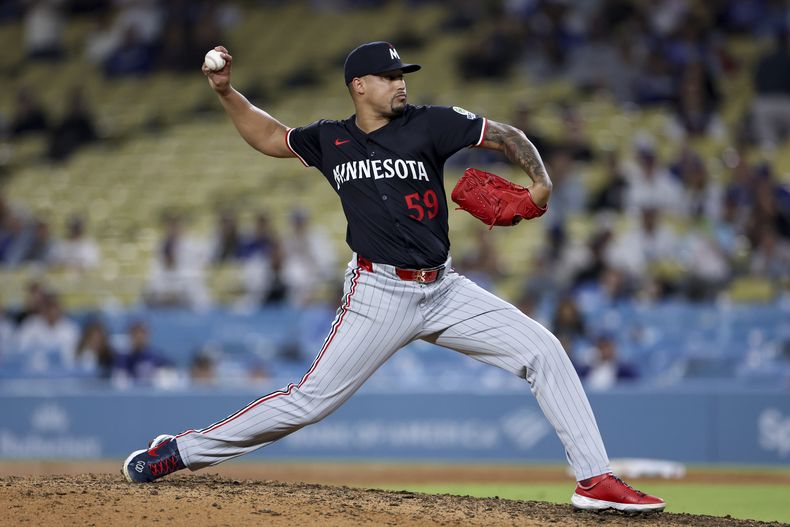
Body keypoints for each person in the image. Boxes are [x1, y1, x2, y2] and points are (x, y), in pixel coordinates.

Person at [122, 41, 664, 512]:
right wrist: (225, 92)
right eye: (389, 77)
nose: (400, 84)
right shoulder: (332, 140)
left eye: (402, 75)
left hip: (444, 288)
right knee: (310, 402)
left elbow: (503, 134)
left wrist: (540, 183)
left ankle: (594, 478)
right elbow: (269, 137)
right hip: (377, 292)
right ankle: (181, 452)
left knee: (544, 351)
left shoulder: (429, 123)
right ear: (359, 86)